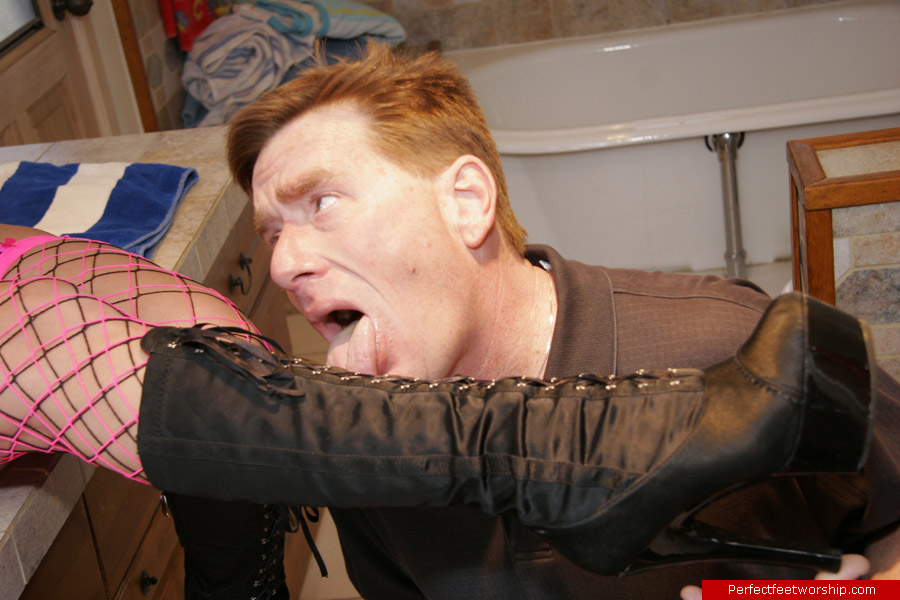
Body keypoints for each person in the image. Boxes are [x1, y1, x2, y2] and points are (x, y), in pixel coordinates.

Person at [1, 41, 898, 598]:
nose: (281, 263)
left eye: (321, 203)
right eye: (272, 233)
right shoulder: (356, 440)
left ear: (467, 202)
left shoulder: (723, 345)